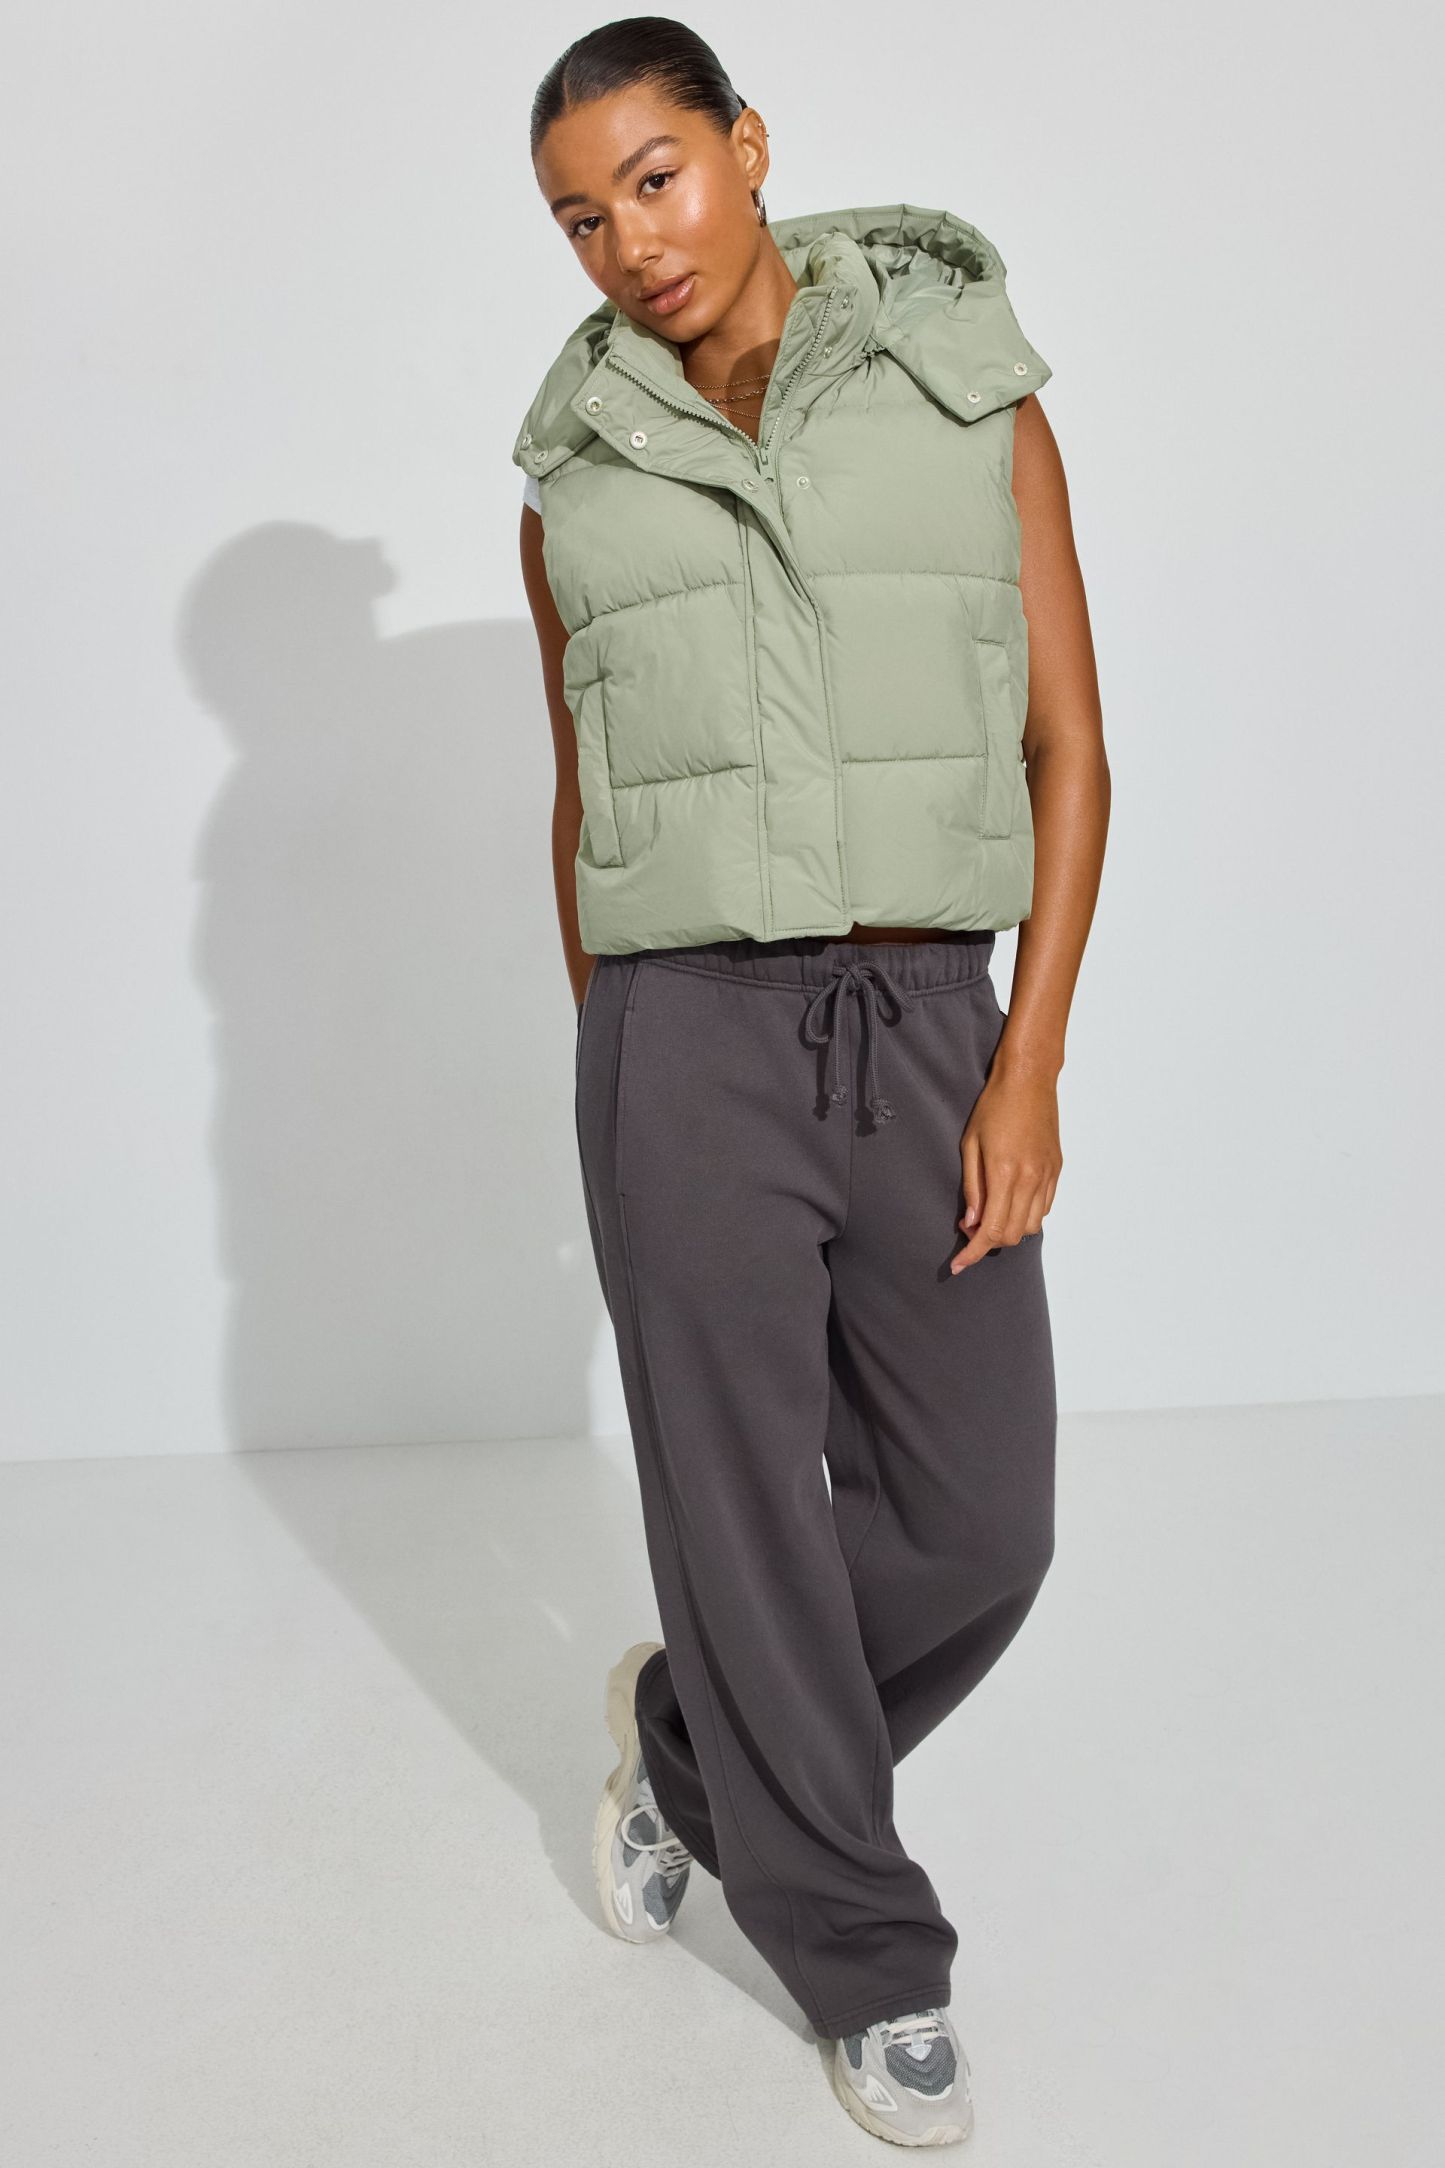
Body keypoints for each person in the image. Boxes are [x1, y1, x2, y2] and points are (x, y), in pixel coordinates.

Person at [514, 16, 1108, 2149]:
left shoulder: (968, 393)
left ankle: (685, 1751)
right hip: (678, 1039)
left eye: (655, 177)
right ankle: (869, 1958)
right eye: (582, 217)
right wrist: (622, 1056)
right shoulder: (574, 479)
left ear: (749, 146)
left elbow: (1070, 749)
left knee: (982, 1518)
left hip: (927, 1019)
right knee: (742, 1510)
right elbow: (582, 799)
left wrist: (1027, 1060)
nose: (630, 241)